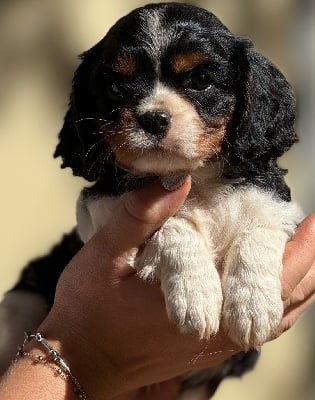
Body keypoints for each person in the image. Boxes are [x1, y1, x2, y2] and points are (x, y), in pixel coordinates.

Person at [0, 177, 314, 400]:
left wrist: (258, 253)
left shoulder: (255, 193)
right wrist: (90, 360)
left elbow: (280, 225)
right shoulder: (113, 199)